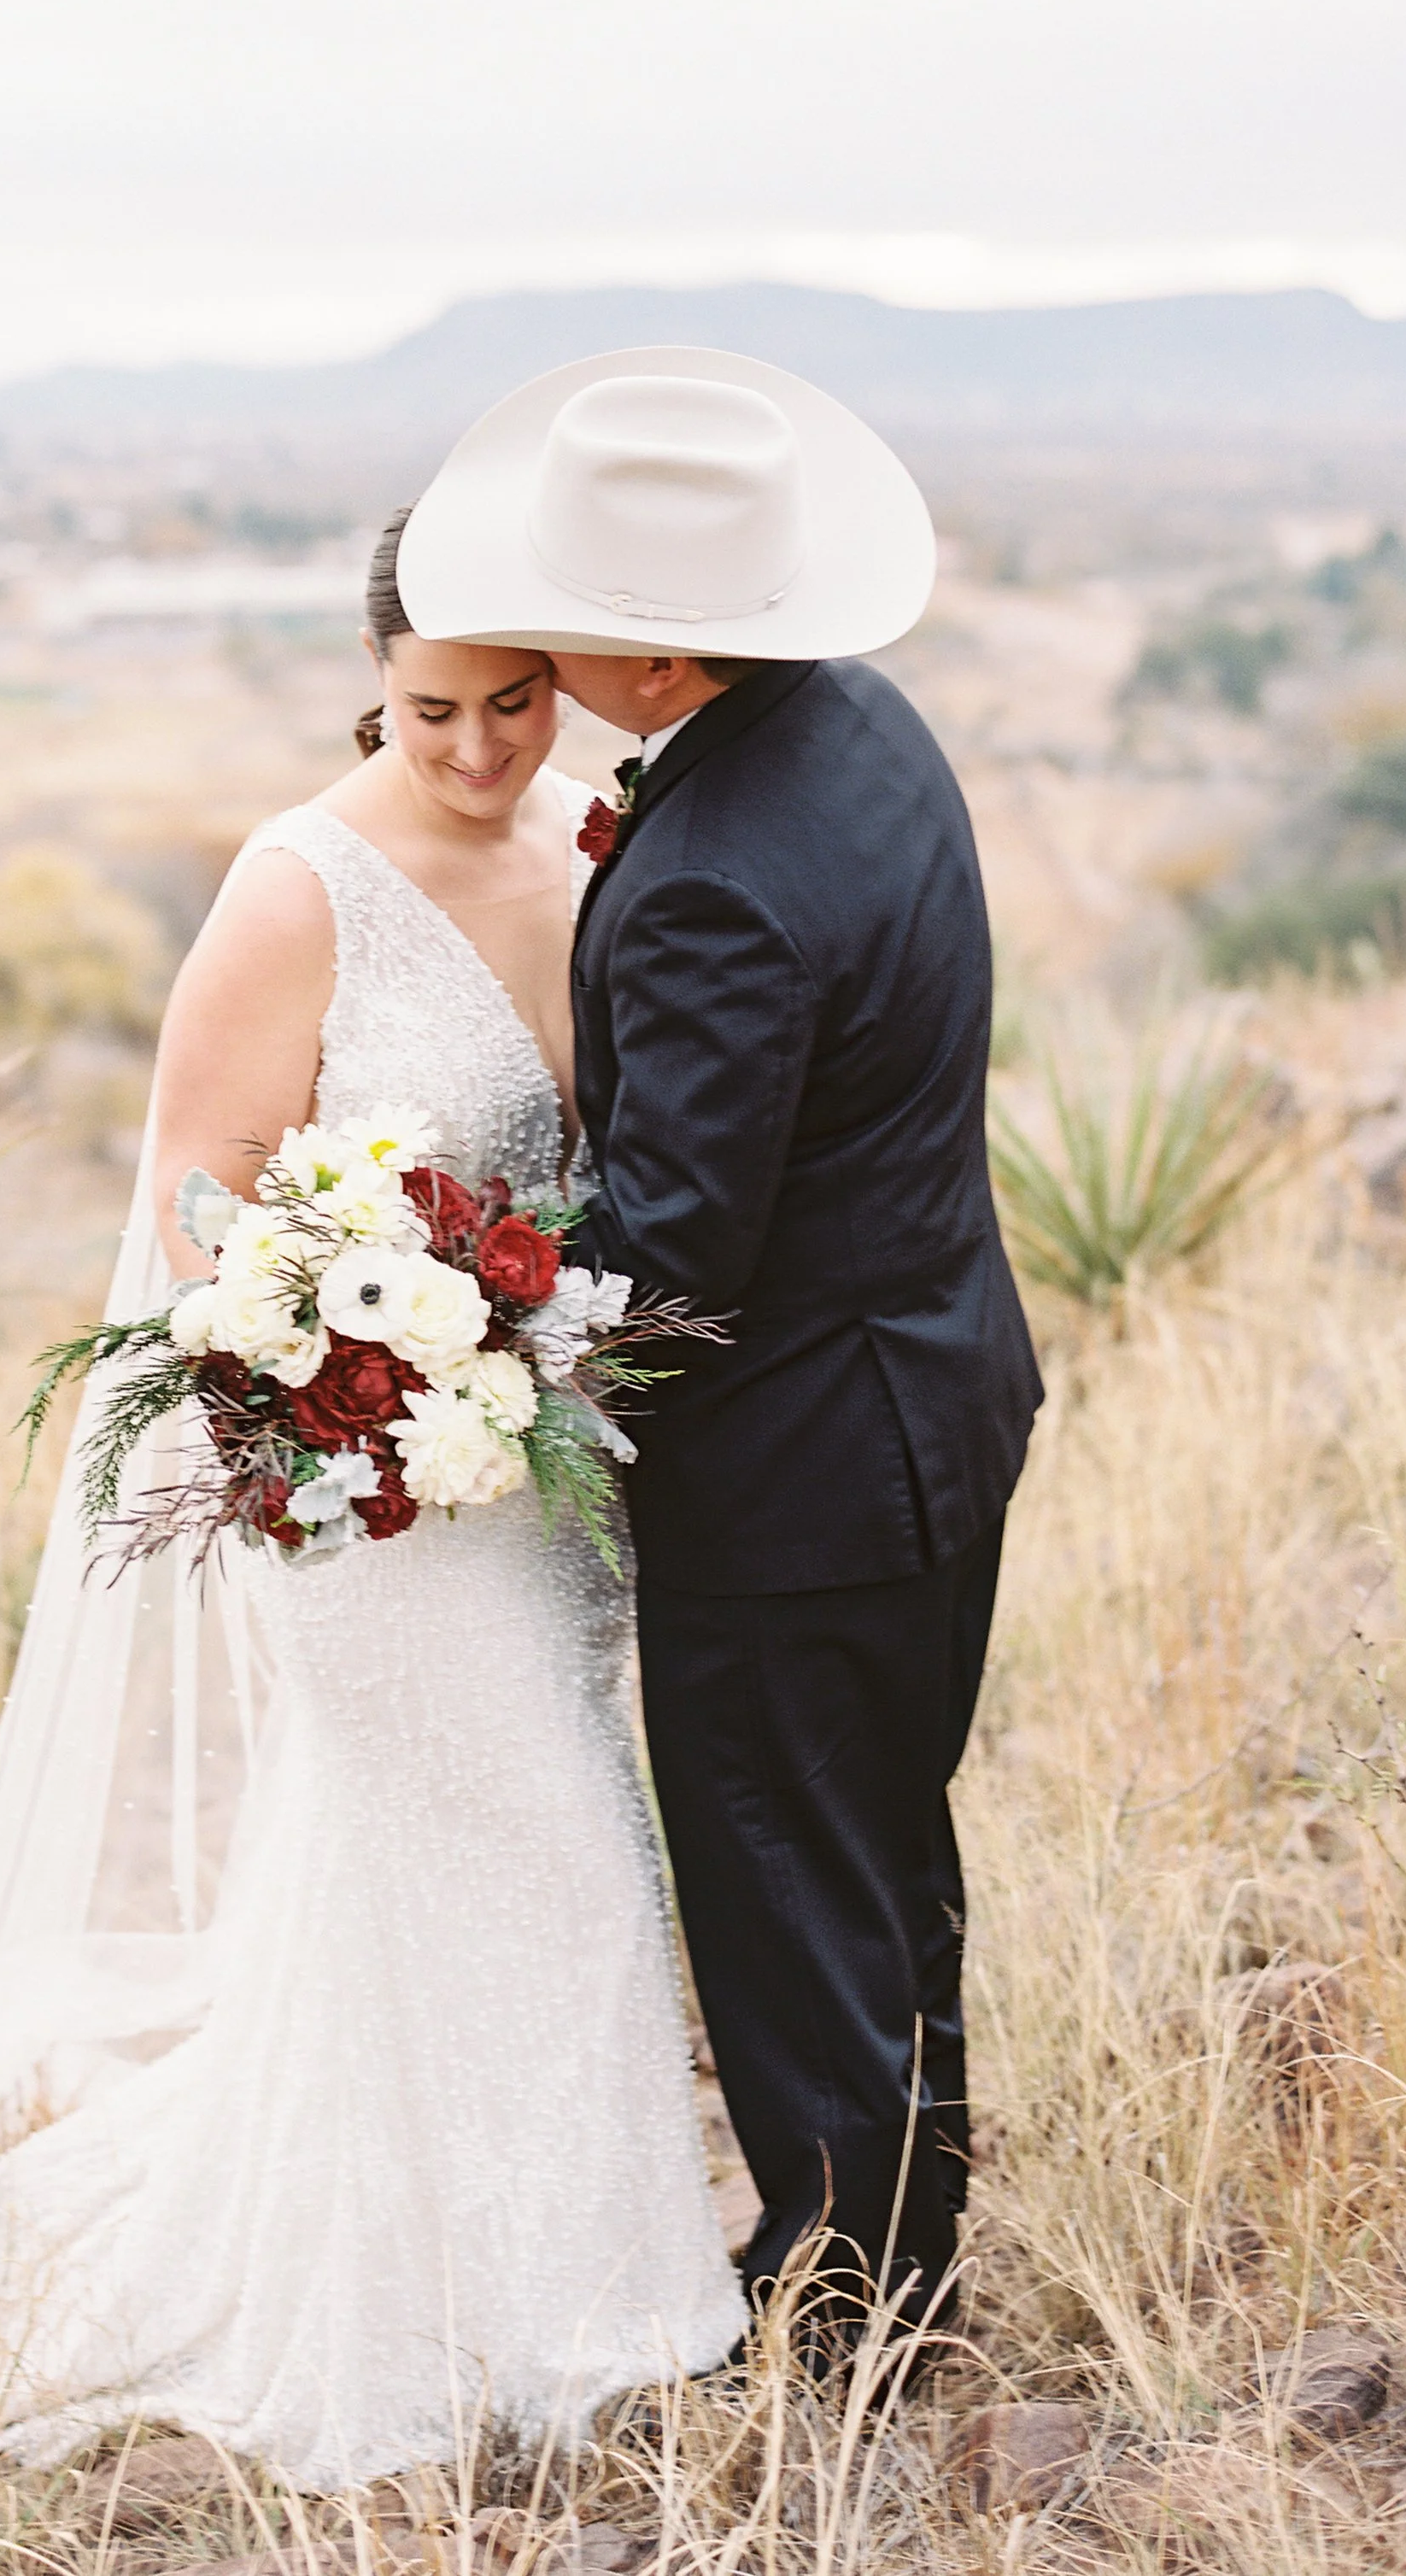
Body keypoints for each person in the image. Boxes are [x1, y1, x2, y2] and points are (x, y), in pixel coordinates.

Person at [0, 515, 744, 2485]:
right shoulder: (300, 889)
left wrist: (522, 1357)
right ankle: (481, 2304)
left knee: (528, 1863)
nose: (478, 750)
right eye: (432, 709)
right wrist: (376, 1372)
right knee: (534, 1846)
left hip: (543, 1486)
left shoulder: (588, 845)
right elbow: (204, 1218)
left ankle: (543, 2263)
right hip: (370, 1489)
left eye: (516, 703)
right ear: (370, 680)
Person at [397, 348, 1042, 2344]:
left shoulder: (715, 887)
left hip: (803, 1476)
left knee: (784, 1874)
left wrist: (428, 1293)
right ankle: (905, 2236)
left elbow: (677, 1249)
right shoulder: (859, 728)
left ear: (662, 664)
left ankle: (845, 2302)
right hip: (937, 1395)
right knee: (876, 1847)